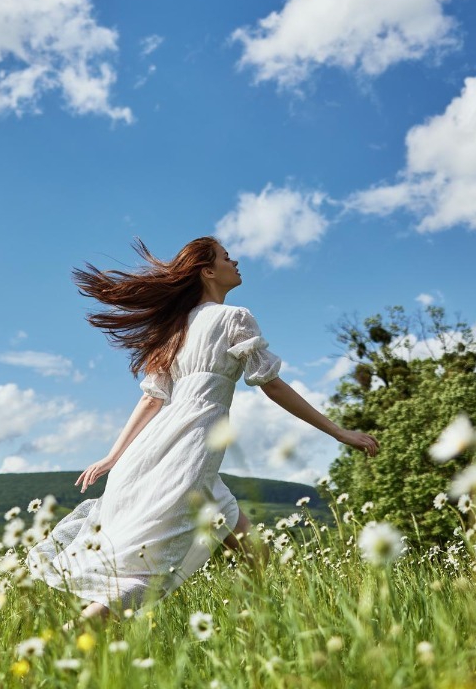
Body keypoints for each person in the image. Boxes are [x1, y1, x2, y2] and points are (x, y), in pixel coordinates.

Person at [26, 236, 380, 622]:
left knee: (254, 551)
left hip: (163, 449)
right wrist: (339, 433)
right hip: (191, 452)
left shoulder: (177, 329)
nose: (235, 261)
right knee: (152, 572)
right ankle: (73, 635)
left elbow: (151, 401)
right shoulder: (234, 318)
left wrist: (114, 457)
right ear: (207, 271)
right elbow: (272, 385)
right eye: (227, 257)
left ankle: (254, 631)